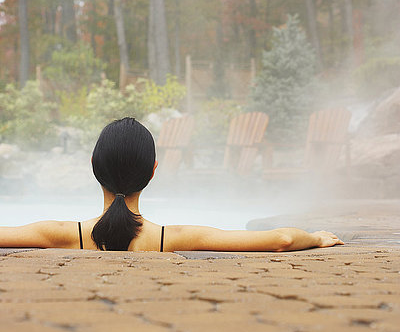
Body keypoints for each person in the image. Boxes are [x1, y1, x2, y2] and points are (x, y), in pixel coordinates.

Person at [0, 117, 344, 252]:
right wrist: (315, 238)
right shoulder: (174, 238)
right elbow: (282, 239)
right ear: (153, 172)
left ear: (93, 168)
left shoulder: (59, 234)